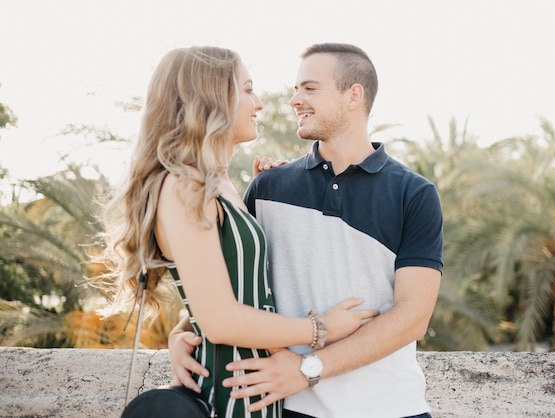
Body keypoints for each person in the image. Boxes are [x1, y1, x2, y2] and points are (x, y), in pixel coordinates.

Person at [93, 45, 378, 418]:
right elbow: (221, 320)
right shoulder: (184, 186)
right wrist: (320, 328)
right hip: (227, 399)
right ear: (210, 98)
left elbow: (237, 281)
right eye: (246, 89)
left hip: (259, 395)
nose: (258, 103)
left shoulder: (218, 183)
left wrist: (179, 332)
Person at [169, 43, 443, 418]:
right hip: (287, 408)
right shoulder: (268, 186)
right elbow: (236, 281)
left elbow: (413, 316)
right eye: (296, 89)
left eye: (310, 88)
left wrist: (307, 370)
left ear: (354, 95)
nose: (294, 99)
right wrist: (181, 331)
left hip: (391, 408)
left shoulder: (414, 193)